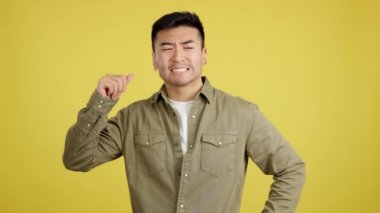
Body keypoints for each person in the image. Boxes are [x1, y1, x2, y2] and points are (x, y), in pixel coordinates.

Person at [63, 11, 305, 213]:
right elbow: (76, 160)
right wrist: (100, 103)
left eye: (188, 47)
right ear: (154, 59)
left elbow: (290, 168)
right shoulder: (131, 118)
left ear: (204, 54)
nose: (178, 57)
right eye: (167, 48)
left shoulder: (242, 114)